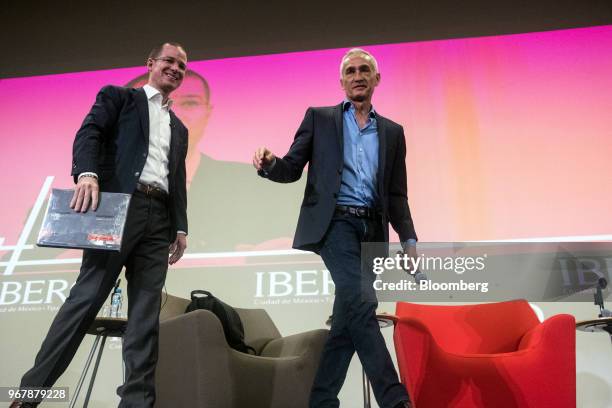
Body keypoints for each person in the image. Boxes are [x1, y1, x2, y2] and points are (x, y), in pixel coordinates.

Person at [11, 42, 189, 408]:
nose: (175, 68)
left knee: (144, 316)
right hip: (117, 209)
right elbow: (89, 133)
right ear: (151, 63)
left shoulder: (179, 126)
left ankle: (137, 403)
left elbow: (178, 178)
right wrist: (87, 174)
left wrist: (181, 227)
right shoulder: (119, 98)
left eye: (182, 66)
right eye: (169, 61)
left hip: (159, 220)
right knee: (86, 300)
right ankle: (27, 397)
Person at [253, 48, 416, 408]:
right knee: (361, 302)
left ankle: (321, 400)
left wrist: (408, 239)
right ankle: (395, 399)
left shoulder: (393, 132)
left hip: (371, 231)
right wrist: (269, 164)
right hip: (334, 223)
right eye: (351, 71)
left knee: (346, 321)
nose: (358, 76)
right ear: (342, 81)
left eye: (365, 70)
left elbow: (396, 194)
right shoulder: (320, 118)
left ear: (376, 79)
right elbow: (292, 168)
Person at [125, 69, 303, 252]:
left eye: (190, 103)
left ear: (207, 113)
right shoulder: (107, 180)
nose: (174, 113)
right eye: (155, 103)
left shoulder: (253, 186)